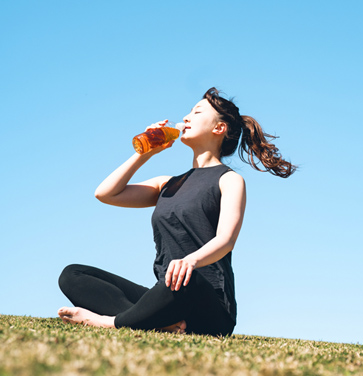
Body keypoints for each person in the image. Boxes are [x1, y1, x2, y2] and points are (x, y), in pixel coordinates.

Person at [57, 87, 296, 336]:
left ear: (219, 128)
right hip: (166, 294)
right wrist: (144, 153)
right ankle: (160, 325)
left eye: (197, 111)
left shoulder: (229, 179)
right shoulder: (166, 183)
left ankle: (109, 322)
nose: (186, 118)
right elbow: (106, 193)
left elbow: (226, 240)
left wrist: (190, 261)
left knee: (187, 278)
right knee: (72, 274)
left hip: (205, 302)